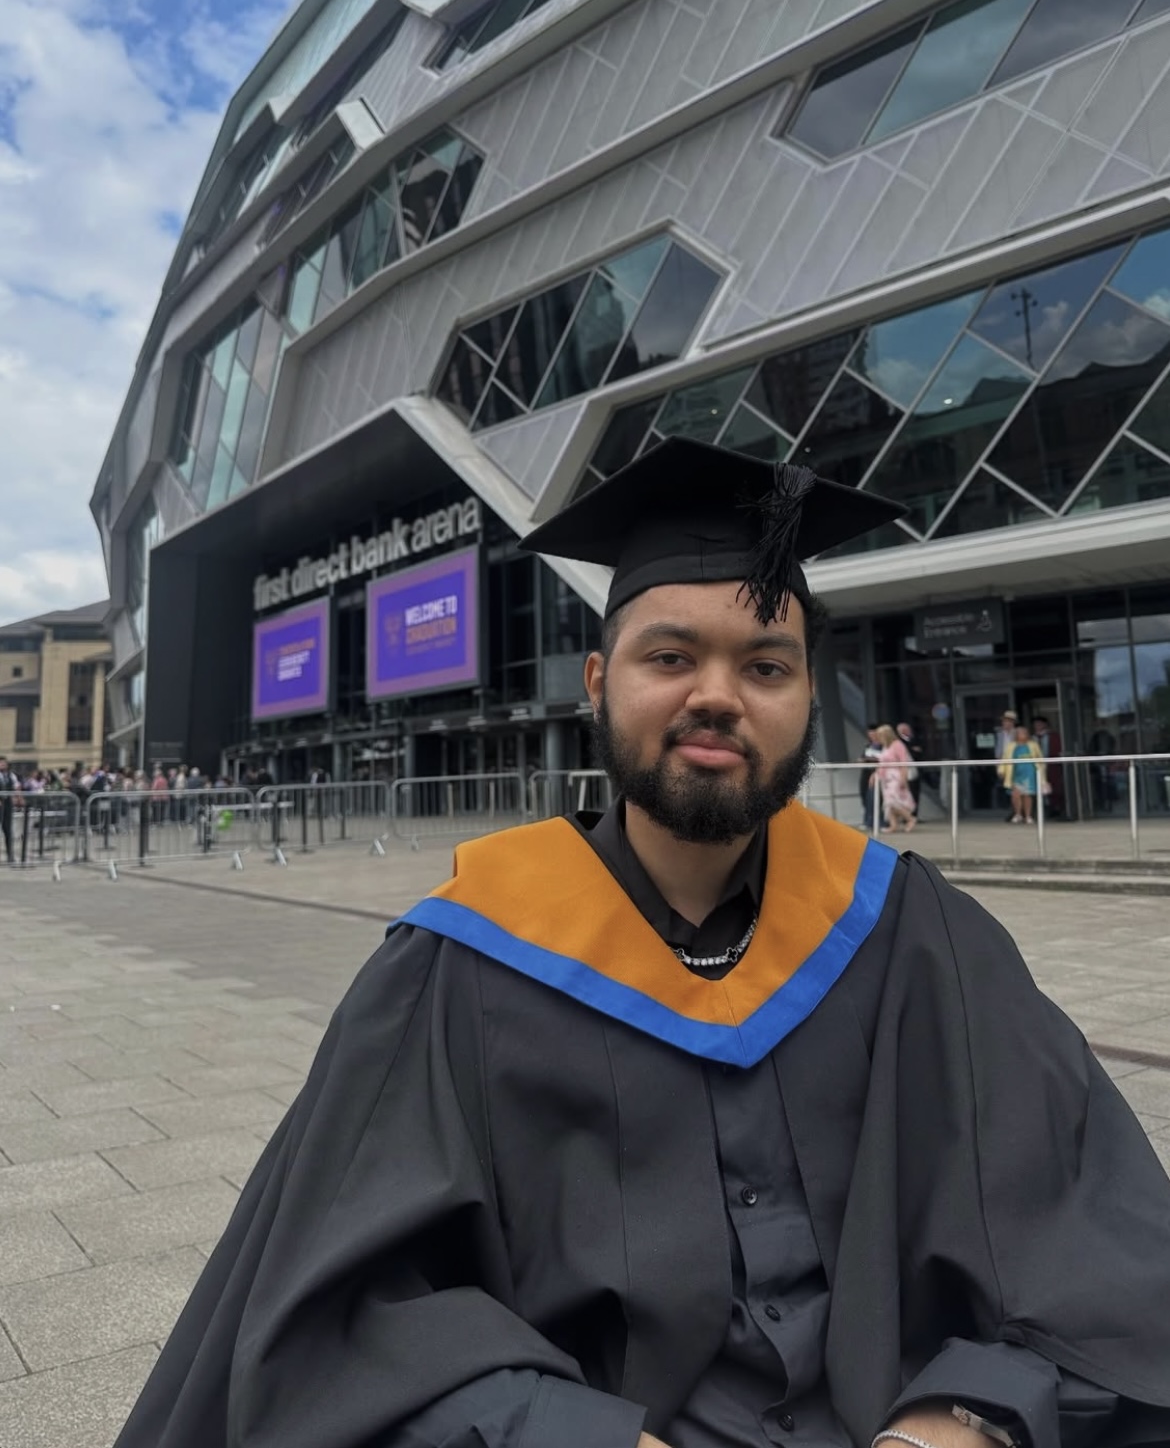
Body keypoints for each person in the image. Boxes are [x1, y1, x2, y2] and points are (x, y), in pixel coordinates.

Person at [112, 439, 1170, 1448]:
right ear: (597, 680)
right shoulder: (458, 965)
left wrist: (966, 1415)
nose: (717, 694)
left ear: (808, 697)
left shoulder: (911, 931)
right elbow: (340, 1317)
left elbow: (1096, 1233)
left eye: (766, 665)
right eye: (671, 655)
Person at [872, 723, 917, 833]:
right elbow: (882, 764)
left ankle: (910, 819)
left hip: (896, 775)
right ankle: (893, 825)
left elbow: (903, 763)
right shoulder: (885, 747)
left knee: (893, 800)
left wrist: (903, 779)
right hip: (886, 777)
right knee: (888, 802)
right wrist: (875, 775)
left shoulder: (898, 745)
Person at [999, 724, 1045, 826]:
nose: (1022, 735)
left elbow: (1040, 758)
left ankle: (1028, 816)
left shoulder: (1033, 745)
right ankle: (1018, 814)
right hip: (1015, 773)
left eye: (1024, 733)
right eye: (1019, 733)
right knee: (1015, 794)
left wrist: (1042, 773)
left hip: (1029, 773)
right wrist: (1001, 770)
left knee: (1027, 795)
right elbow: (1005, 758)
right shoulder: (1011, 746)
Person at [1032, 716, 1064, 818]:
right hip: (1037, 765)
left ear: (1045, 725)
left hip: (1051, 764)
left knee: (1054, 785)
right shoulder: (1032, 738)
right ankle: (1040, 808)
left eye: (1039, 724)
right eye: (1036, 724)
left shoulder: (1054, 736)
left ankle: (1055, 807)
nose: (1037, 726)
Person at [993, 710, 1018, 820]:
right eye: (1004, 721)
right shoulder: (999, 734)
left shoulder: (1017, 733)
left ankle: (1018, 812)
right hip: (1004, 765)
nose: (1005, 723)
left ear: (1013, 722)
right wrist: (998, 766)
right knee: (1009, 789)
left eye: (1008, 721)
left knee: (1017, 789)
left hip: (1016, 764)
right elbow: (998, 751)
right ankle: (1014, 810)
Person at [895, 720, 924, 814]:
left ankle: (914, 814)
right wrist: (913, 750)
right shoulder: (898, 742)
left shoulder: (915, 739)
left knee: (915, 793)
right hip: (905, 771)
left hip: (916, 770)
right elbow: (906, 753)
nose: (910, 731)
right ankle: (907, 815)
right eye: (907, 729)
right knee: (907, 793)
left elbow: (921, 751)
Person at [858, 722, 881, 829]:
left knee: (873, 797)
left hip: (876, 772)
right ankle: (867, 819)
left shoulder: (882, 746)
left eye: (873, 734)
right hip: (866, 772)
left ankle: (873, 821)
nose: (872, 736)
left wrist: (869, 759)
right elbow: (863, 756)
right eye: (870, 734)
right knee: (864, 794)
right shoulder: (868, 746)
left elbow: (883, 758)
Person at [0, 757, 18, 864]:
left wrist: (18, 798)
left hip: (7, 805)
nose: (2, 765)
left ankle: (10, 856)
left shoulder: (11, 775)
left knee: (8, 830)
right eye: (0, 763)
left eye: (4, 763)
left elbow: (16, 787)